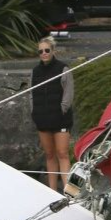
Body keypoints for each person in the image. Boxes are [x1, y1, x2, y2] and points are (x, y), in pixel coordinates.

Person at [30, 37, 74, 192]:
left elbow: (68, 95)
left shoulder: (63, 68)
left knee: (62, 153)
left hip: (61, 119)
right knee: (49, 155)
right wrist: (34, 112)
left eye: (47, 50)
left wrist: (61, 110)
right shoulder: (35, 71)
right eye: (40, 51)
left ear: (53, 51)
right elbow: (31, 94)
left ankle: (69, 192)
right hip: (42, 120)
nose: (44, 53)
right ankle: (52, 191)